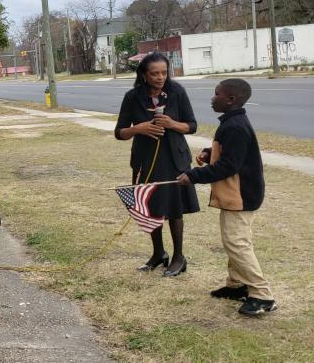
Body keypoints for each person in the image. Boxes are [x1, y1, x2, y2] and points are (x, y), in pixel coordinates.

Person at [178, 79, 276, 316]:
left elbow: (229, 166)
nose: (213, 98)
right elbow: (231, 154)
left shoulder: (234, 126)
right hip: (236, 194)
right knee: (235, 240)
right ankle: (236, 285)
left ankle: (262, 295)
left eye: (217, 94)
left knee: (236, 242)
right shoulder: (232, 123)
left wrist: (192, 176)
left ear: (231, 99)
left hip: (241, 195)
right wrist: (210, 153)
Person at [114, 52, 199, 277]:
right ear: (143, 74)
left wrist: (172, 123)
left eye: (163, 72)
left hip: (174, 159)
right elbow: (119, 132)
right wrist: (138, 129)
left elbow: (192, 126)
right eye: (154, 74)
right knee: (150, 206)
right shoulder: (132, 97)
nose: (160, 77)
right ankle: (159, 253)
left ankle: (179, 257)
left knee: (174, 208)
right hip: (145, 160)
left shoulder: (177, 92)